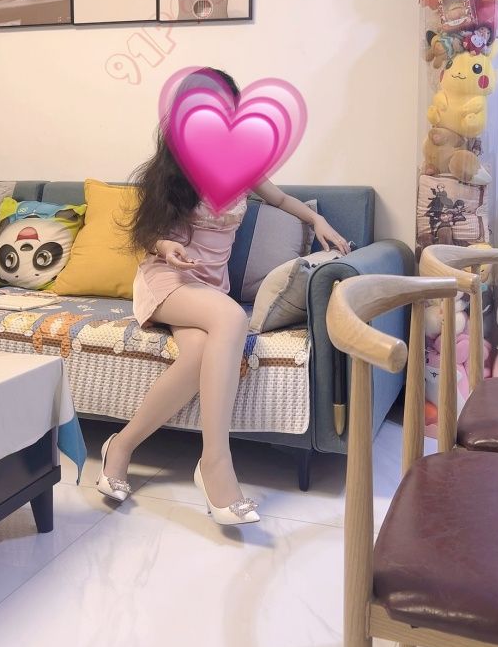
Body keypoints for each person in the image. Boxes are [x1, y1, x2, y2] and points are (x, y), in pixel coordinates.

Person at [96, 68, 351, 526]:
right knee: (233, 320)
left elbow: (281, 200)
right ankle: (215, 461)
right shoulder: (172, 170)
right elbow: (148, 235)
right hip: (167, 281)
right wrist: (166, 247)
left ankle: (120, 446)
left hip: (208, 289)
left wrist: (317, 221)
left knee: (198, 355)